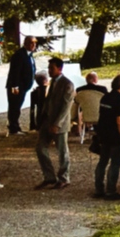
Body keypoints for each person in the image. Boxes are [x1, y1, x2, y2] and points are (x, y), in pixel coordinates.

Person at [36, 57, 75, 189]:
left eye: (52, 68)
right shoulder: (52, 82)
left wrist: (57, 124)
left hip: (59, 123)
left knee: (62, 151)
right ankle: (49, 176)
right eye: (49, 68)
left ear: (59, 69)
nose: (49, 71)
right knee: (40, 148)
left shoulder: (67, 84)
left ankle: (64, 178)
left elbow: (66, 107)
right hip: (47, 120)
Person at [92, 72, 120, 199]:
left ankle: (98, 188)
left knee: (102, 162)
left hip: (104, 134)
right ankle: (110, 190)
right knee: (115, 163)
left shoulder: (105, 97)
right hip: (115, 136)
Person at [5, 35, 39, 136]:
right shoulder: (19, 55)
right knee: (14, 106)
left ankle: (15, 126)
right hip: (16, 87)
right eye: (30, 43)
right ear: (25, 43)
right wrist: (15, 88)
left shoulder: (30, 55)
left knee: (17, 106)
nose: (33, 45)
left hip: (24, 87)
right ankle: (13, 128)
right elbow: (14, 73)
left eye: (34, 43)